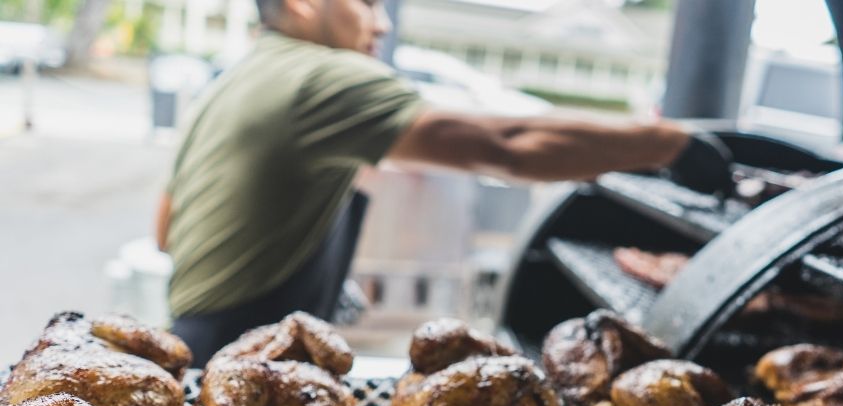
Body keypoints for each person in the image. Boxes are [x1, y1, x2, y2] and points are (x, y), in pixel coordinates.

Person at [157, 0, 734, 366]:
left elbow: (165, 230)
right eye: (366, 2)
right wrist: (667, 144)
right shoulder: (320, 74)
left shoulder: (232, 81)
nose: (381, 22)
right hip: (250, 358)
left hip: (194, 341)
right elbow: (503, 145)